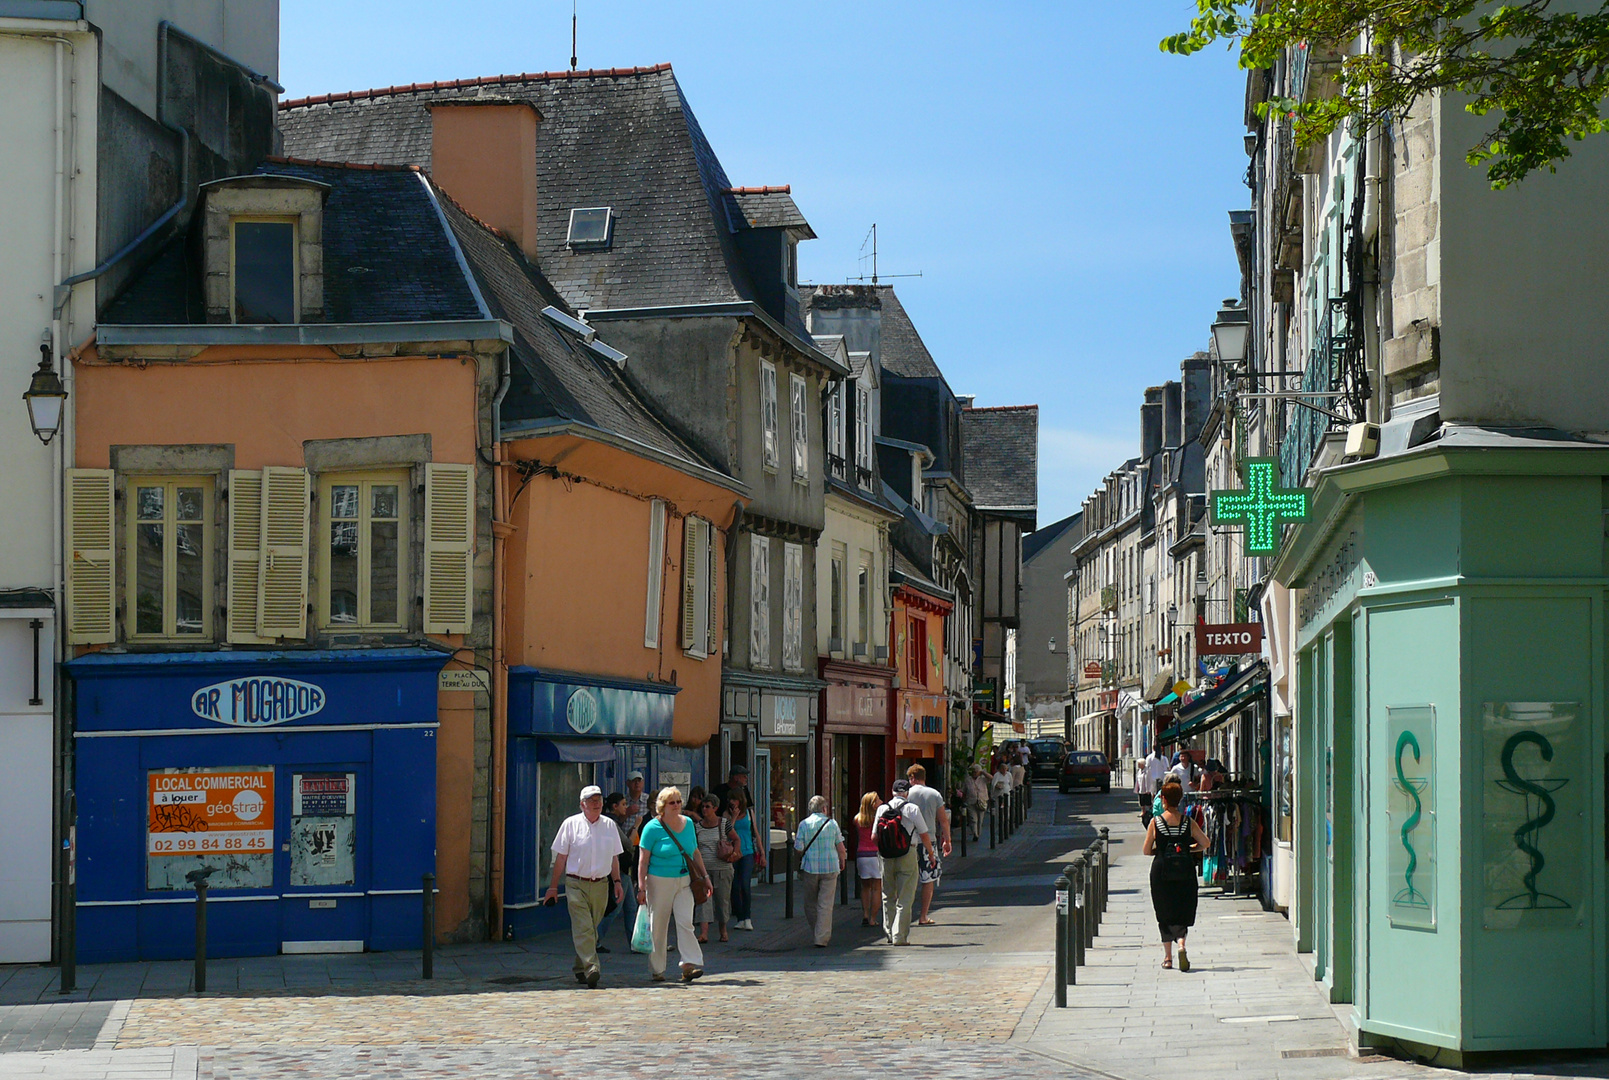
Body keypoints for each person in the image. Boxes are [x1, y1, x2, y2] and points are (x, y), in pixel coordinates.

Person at [543, 785, 625, 989]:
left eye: (598, 799)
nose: (596, 803)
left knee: (591, 929)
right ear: (582, 804)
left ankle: (580, 968)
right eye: (591, 800)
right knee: (583, 927)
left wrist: (617, 882)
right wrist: (553, 887)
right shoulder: (570, 824)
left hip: (601, 884)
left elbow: (614, 857)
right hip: (575, 884)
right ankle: (591, 967)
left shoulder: (609, 825)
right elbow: (560, 858)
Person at [636, 786, 707, 983]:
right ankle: (658, 969)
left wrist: (705, 876)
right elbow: (643, 860)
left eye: (678, 801)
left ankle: (688, 964)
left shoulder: (689, 824)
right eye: (671, 802)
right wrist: (641, 887)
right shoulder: (652, 828)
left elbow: (695, 852)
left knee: (685, 921)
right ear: (662, 806)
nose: (676, 805)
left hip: (684, 880)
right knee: (658, 925)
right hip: (659, 881)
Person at [1143, 778, 1208, 970]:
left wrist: (1161, 851)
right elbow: (1206, 843)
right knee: (1181, 909)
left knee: (1164, 912)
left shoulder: (1156, 822)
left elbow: (1146, 850)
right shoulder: (1188, 822)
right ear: (1179, 799)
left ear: (1163, 799)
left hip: (1161, 871)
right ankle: (1182, 944)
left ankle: (1168, 958)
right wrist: (1189, 849)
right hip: (1185, 870)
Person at [877, 779, 935, 946]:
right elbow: (924, 833)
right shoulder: (912, 808)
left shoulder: (882, 809)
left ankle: (888, 932)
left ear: (892, 791)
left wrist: (883, 850)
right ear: (907, 793)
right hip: (907, 852)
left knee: (887, 894)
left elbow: (875, 836)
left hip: (886, 855)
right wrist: (930, 854)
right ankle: (899, 935)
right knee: (905, 896)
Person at [794, 795, 847, 947]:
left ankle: (817, 931)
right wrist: (842, 860)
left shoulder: (804, 824)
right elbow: (840, 846)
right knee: (825, 903)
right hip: (830, 867)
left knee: (810, 903)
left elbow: (798, 848)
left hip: (811, 868)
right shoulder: (832, 824)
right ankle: (821, 937)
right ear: (824, 809)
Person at [903, 765, 951, 926]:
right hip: (928, 840)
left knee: (907, 878)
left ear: (912, 778)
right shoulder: (934, 794)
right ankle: (923, 915)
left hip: (908, 841)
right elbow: (943, 820)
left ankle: (904, 915)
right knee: (928, 878)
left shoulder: (907, 794)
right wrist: (947, 840)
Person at [593, 792, 638, 949]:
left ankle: (635, 942)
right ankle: (595, 939)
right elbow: (628, 844)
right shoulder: (611, 823)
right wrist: (636, 826)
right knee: (615, 907)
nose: (626, 807)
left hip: (623, 868)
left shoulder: (612, 822)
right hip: (619, 869)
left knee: (631, 907)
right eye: (623, 804)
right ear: (614, 806)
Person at [725, 789, 765, 930]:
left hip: (747, 851)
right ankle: (740, 917)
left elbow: (755, 832)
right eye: (731, 800)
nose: (732, 802)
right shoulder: (726, 815)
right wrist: (734, 818)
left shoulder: (749, 813)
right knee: (734, 886)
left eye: (735, 799)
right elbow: (726, 833)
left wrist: (762, 852)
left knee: (745, 884)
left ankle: (747, 917)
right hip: (733, 852)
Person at [694, 797, 730, 943]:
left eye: (707, 807)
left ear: (715, 808)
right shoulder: (697, 827)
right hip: (704, 871)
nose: (704, 809)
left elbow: (736, 838)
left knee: (722, 902)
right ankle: (704, 933)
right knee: (703, 901)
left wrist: (734, 853)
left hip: (722, 868)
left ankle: (723, 929)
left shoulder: (723, 824)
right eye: (702, 807)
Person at [852, 791, 883, 926]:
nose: (880, 801)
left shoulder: (857, 819)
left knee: (865, 887)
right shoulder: (878, 819)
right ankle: (873, 918)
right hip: (875, 854)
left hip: (862, 854)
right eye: (878, 800)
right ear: (873, 804)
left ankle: (865, 914)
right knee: (877, 887)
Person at [1139, 747, 1169, 825]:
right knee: (1156, 795)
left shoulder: (1161, 758)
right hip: (1157, 779)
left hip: (1157, 779)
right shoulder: (1155, 758)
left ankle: (1157, 810)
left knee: (1157, 796)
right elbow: (1147, 768)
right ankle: (1156, 811)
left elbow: (1167, 768)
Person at [964, 764, 990, 841]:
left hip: (982, 801)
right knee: (973, 819)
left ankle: (978, 832)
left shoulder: (983, 779)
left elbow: (991, 778)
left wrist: (983, 773)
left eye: (976, 771)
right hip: (971, 801)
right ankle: (975, 834)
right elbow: (964, 791)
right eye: (973, 771)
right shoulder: (967, 780)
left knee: (980, 819)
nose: (974, 773)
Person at [622, 771, 650, 836]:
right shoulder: (622, 800)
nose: (637, 783)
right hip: (625, 840)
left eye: (639, 781)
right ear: (628, 783)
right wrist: (627, 812)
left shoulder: (648, 800)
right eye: (634, 781)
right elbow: (616, 821)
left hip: (643, 838)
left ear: (643, 783)